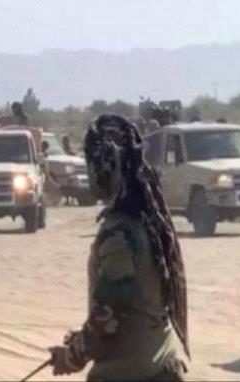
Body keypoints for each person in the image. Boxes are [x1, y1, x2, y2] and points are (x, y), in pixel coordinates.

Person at [48, 114, 188, 381]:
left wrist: (72, 357)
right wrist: (79, 341)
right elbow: (136, 307)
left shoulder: (119, 234)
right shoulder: (150, 220)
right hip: (163, 367)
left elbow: (108, 316)